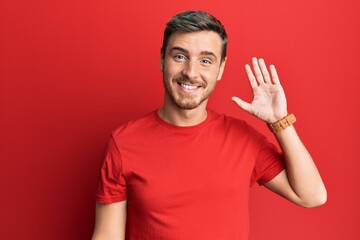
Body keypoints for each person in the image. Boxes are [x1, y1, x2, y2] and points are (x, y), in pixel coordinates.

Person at [91, 10, 327, 240]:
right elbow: (107, 235)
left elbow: (312, 196)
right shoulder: (123, 143)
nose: (191, 72)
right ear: (162, 59)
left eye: (205, 60)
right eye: (180, 56)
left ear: (221, 68)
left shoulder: (243, 138)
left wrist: (279, 121)